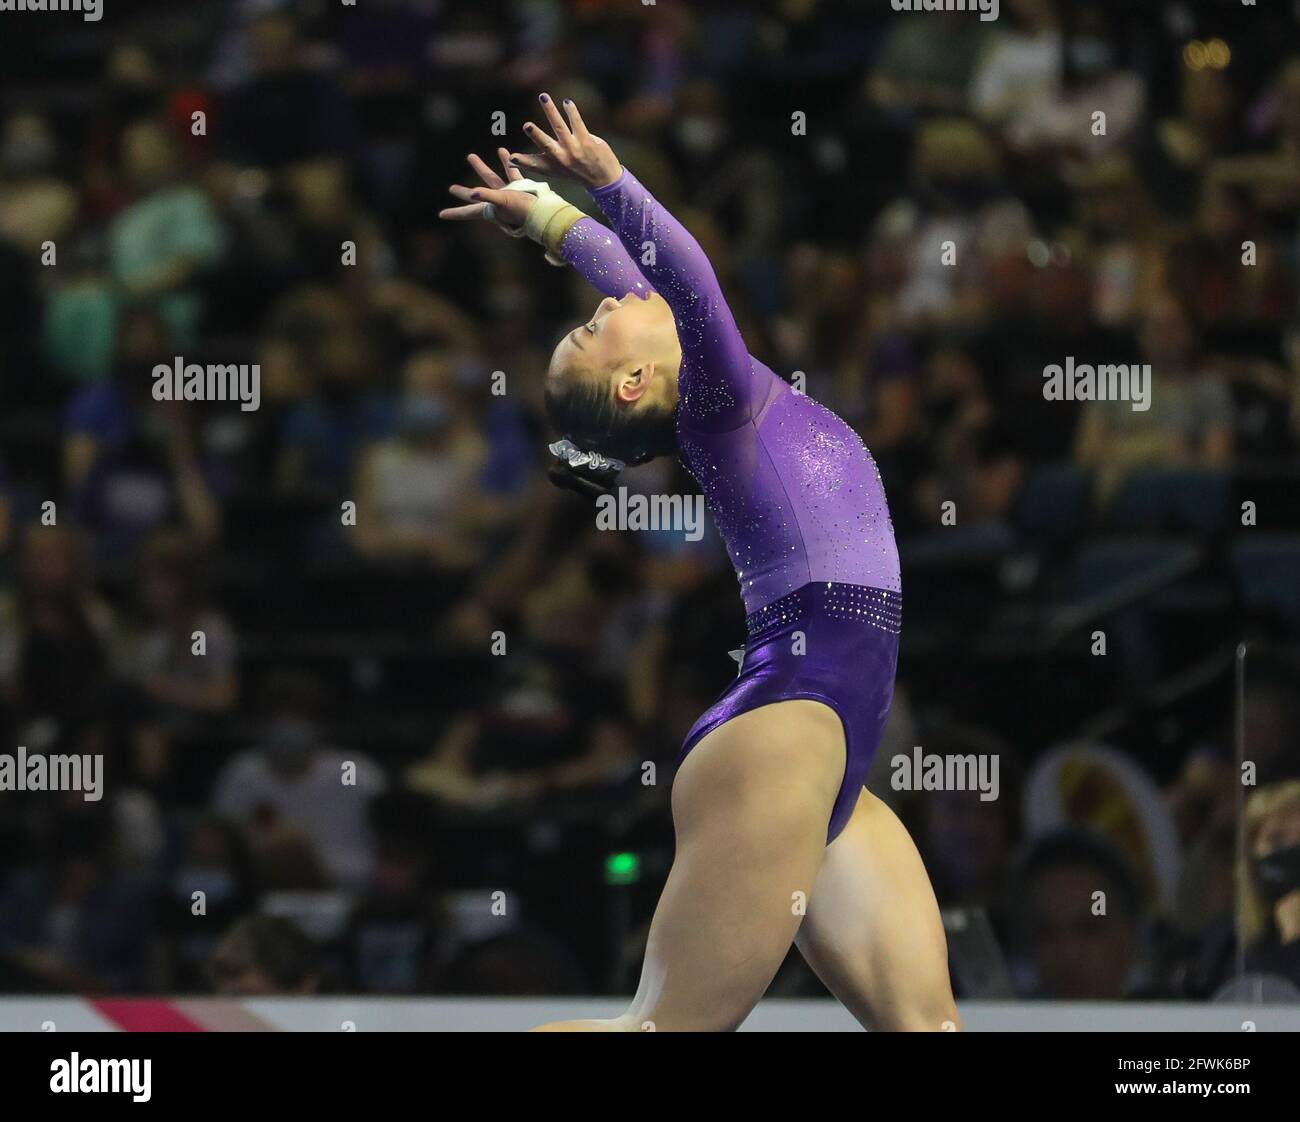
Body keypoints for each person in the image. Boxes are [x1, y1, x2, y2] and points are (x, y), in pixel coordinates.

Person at [439, 95, 957, 1031]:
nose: (603, 308)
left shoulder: (709, 402)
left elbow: (628, 276)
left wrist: (542, 216)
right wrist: (609, 179)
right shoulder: (720, 400)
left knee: (929, 1031)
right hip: (779, 740)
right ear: (636, 383)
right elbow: (686, 280)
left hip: (832, 763)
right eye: (591, 333)